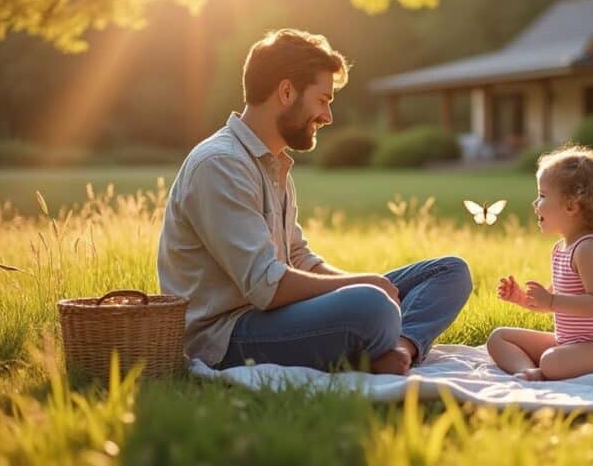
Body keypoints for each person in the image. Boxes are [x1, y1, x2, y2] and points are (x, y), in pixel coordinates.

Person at [157, 28, 472, 375]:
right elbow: (267, 286)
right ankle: (373, 341)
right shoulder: (220, 164)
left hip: (274, 315)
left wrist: (362, 283)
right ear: (287, 91)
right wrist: (362, 286)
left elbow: (298, 258)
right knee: (372, 307)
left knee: (449, 272)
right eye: (323, 100)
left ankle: (399, 347)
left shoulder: (274, 164)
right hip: (229, 336)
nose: (327, 117)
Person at [486, 145, 593, 380]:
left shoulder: (589, 249)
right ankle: (527, 372)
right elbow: (556, 301)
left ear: (571, 206)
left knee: (552, 360)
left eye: (543, 196)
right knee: (498, 337)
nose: (536, 203)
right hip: (568, 343)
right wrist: (524, 299)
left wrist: (552, 300)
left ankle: (544, 371)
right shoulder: (561, 249)